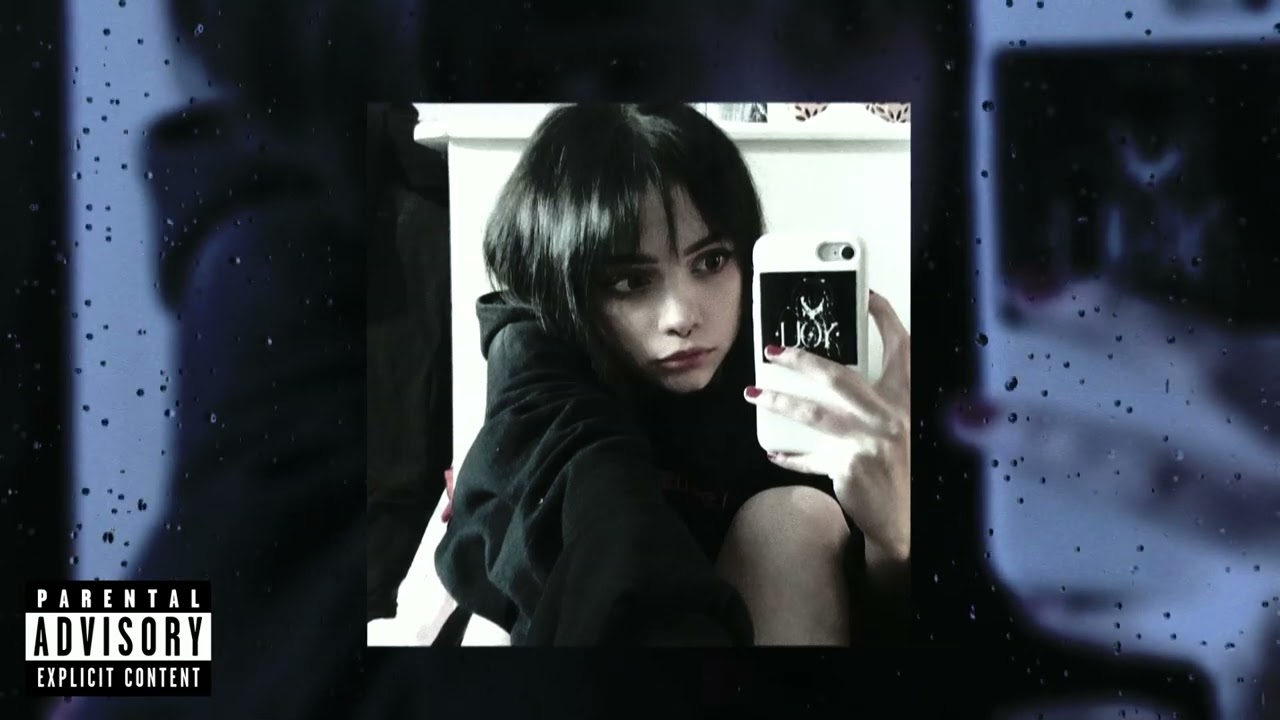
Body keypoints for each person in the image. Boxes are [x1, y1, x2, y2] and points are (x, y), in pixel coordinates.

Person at [435, 103, 911, 646]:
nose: (682, 317)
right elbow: (602, 514)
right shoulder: (539, 353)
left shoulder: (783, 358)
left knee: (794, 518)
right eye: (630, 281)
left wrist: (894, 542)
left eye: (711, 262)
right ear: (565, 288)